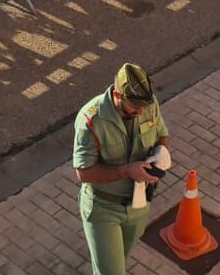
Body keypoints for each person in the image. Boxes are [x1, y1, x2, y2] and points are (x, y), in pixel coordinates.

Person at [72, 63, 171, 275]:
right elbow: (83, 172)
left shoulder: (148, 104)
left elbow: (162, 134)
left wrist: (159, 156)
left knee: (119, 264)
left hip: (139, 205)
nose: (142, 111)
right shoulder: (91, 120)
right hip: (103, 208)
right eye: (135, 106)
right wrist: (126, 171)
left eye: (144, 105)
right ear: (117, 95)